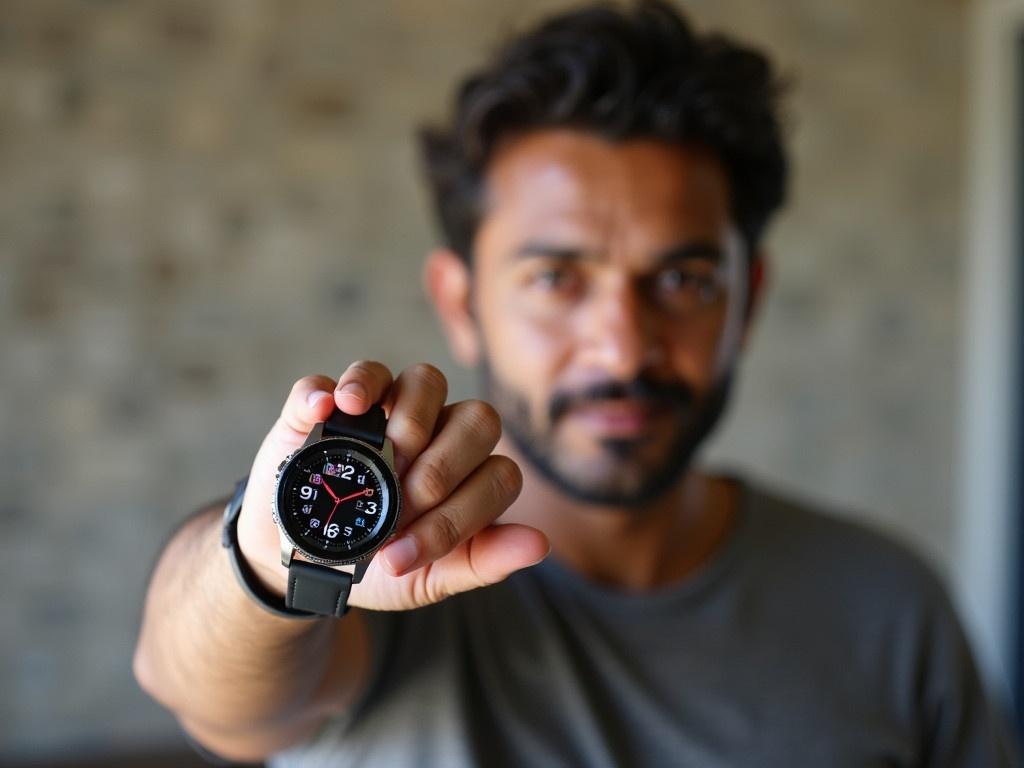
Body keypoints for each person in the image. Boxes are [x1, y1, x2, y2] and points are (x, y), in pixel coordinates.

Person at [133, 2, 1020, 766]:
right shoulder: (379, 588)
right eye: (557, 278)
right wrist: (267, 559)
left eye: (681, 280)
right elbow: (197, 682)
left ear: (745, 301)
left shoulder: (890, 606)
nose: (623, 347)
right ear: (462, 299)